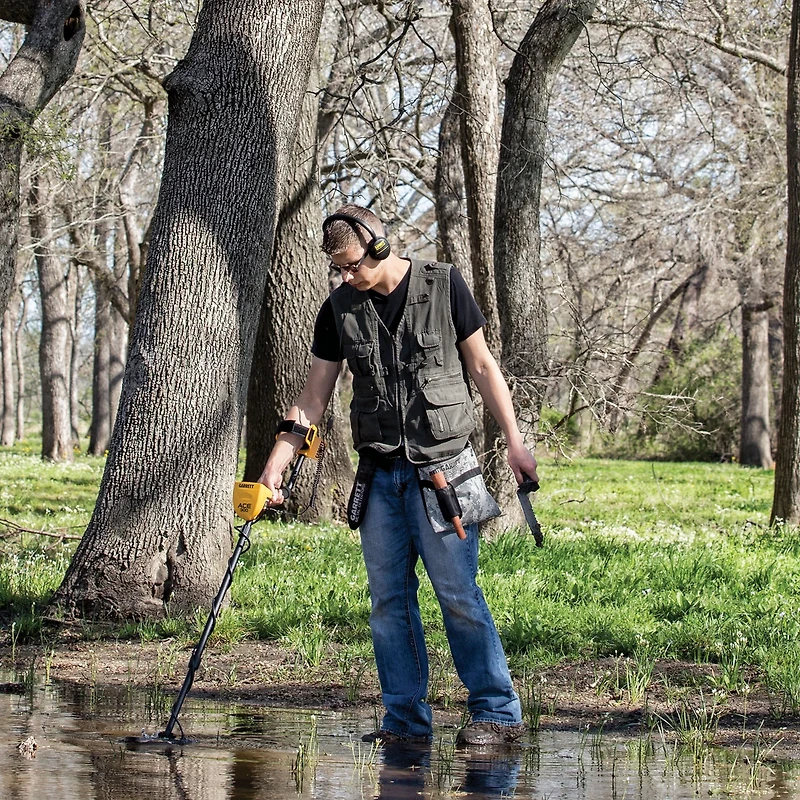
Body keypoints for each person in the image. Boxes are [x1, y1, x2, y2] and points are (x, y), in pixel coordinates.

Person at [257, 204, 539, 746]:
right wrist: (275, 465)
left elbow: (483, 367)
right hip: (380, 475)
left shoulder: (444, 284)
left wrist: (515, 443)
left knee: (458, 594)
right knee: (388, 602)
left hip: (445, 472)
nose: (346, 277)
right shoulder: (337, 308)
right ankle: (406, 722)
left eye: (353, 265)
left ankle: (497, 715)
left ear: (380, 247)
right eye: (336, 269)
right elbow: (313, 398)